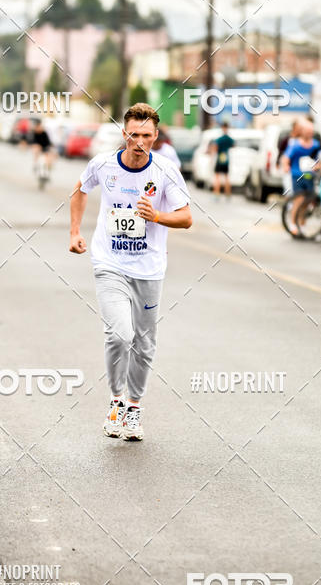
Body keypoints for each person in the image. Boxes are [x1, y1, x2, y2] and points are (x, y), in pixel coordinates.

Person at [69, 103, 192, 441]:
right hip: (109, 262)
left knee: (143, 342)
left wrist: (156, 217)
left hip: (149, 268)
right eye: (133, 135)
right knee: (119, 334)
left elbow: (185, 217)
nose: (139, 142)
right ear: (124, 134)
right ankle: (116, 401)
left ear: (155, 137)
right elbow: (79, 190)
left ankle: (134, 406)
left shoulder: (166, 171)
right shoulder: (104, 165)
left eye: (146, 136)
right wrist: (75, 232)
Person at [281, 120, 321, 235]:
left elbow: (320, 159)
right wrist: (285, 166)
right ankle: (293, 223)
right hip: (297, 175)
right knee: (299, 199)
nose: (309, 133)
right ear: (302, 132)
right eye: (307, 131)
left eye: (311, 132)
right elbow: (286, 158)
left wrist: (318, 166)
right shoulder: (295, 144)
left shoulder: (315, 144)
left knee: (307, 202)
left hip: (310, 175)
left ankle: (302, 223)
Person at [210, 121, 234, 198]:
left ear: (222, 128)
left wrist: (212, 155)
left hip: (220, 158)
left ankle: (216, 193)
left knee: (217, 177)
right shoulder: (229, 139)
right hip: (226, 158)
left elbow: (215, 147)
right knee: (226, 177)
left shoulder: (219, 139)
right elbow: (233, 145)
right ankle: (228, 193)